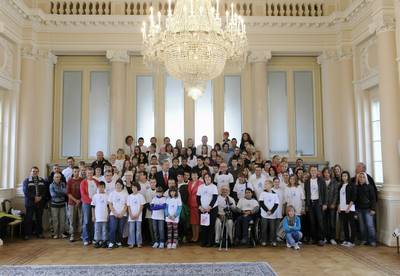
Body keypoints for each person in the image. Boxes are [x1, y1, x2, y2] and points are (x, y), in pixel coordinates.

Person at [304, 166, 327, 246]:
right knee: (312, 221)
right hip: (310, 203)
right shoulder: (307, 181)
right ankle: (313, 238)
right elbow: (306, 194)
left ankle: (321, 239)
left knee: (320, 221)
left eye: (315, 170)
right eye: (312, 170)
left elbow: (325, 193)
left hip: (318, 203)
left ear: (317, 171)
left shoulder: (321, 180)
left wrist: (324, 203)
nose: (313, 172)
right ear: (310, 172)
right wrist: (307, 204)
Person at [23, 166, 47, 240]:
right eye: (33, 171)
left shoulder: (42, 180)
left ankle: (39, 233)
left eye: (36, 171)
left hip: (40, 203)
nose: (35, 172)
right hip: (30, 203)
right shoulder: (26, 181)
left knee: (39, 218)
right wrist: (34, 198)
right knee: (28, 219)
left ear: (38, 172)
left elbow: (45, 191)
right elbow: (26, 192)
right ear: (31, 172)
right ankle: (27, 234)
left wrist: (40, 197)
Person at [196, 173, 219, 247]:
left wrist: (210, 207)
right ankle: (204, 241)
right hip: (202, 209)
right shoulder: (200, 187)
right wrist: (200, 206)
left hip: (212, 209)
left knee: (211, 226)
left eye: (209, 177)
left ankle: (210, 242)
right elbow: (198, 198)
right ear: (204, 178)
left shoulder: (214, 187)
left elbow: (215, 198)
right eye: (206, 177)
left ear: (211, 178)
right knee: (203, 226)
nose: (207, 178)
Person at [355, 172, 377, 246]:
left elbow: (373, 199)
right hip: (359, 209)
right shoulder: (357, 187)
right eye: (360, 177)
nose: (361, 178)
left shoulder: (369, 187)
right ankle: (364, 239)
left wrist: (373, 209)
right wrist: (355, 211)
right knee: (362, 226)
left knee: (370, 225)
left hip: (368, 209)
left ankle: (372, 240)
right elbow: (355, 200)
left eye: (363, 177)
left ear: (365, 178)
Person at [80, 167, 99, 246]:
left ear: (93, 173)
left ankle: (93, 238)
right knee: (87, 221)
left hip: (96, 204)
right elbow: (83, 194)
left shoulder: (96, 181)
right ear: (86, 173)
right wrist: (91, 201)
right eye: (88, 173)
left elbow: (99, 192)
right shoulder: (83, 182)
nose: (90, 174)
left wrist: (95, 202)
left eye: (91, 173)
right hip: (87, 203)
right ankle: (86, 238)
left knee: (94, 221)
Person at [108, 179, 128, 249]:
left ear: (122, 186)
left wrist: (122, 213)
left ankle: (118, 241)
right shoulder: (112, 193)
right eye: (116, 185)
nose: (118, 186)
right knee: (113, 228)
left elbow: (126, 205)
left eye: (119, 185)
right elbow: (110, 204)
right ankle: (111, 242)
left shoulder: (125, 193)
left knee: (120, 229)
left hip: (123, 214)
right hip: (113, 214)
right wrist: (115, 213)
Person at [338, 171, 357, 247]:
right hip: (342, 207)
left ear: (348, 177)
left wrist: (349, 207)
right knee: (345, 224)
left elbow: (354, 197)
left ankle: (352, 241)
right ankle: (346, 239)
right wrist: (339, 206)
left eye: (345, 176)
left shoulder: (352, 185)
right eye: (343, 176)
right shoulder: (341, 185)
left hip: (350, 207)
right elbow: (339, 197)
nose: (344, 177)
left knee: (352, 224)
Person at [259, 180, 279, 247]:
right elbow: (261, 203)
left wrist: (272, 211)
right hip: (264, 214)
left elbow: (276, 204)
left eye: (267, 184)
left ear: (271, 185)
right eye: (265, 184)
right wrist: (267, 210)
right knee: (264, 228)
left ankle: (273, 240)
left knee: (272, 228)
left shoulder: (275, 194)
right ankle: (264, 240)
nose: (265, 185)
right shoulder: (262, 193)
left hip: (272, 215)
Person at [322, 167, 339, 245]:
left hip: (332, 205)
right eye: (325, 172)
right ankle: (325, 237)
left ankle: (332, 238)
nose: (326, 174)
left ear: (330, 173)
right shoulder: (321, 181)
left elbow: (336, 194)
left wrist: (334, 204)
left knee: (332, 222)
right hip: (324, 205)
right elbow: (320, 194)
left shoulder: (334, 182)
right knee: (324, 222)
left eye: (328, 172)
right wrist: (323, 204)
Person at [127, 183, 146, 248]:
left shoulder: (141, 196)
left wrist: (138, 214)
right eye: (133, 187)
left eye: (135, 187)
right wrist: (131, 214)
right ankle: (131, 243)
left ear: (138, 188)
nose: (134, 188)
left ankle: (139, 243)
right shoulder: (129, 196)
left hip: (139, 216)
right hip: (131, 216)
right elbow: (128, 206)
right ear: (131, 188)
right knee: (131, 230)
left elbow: (142, 206)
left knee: (138, 230)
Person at [49, 172, 67, 239]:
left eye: (58, 177)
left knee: (62, 219)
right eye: (56, 177)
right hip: (54, 205)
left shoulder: (63, 184)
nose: (57, 178)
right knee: (55, 220)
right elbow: (53, 195)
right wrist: (61, 192)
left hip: (62, 204)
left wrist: (57, 191)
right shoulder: (51, 185)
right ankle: (55, 233)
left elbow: (65, 192)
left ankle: (62, 233)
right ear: (53, 178)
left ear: (60, 177)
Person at [67, 166, 82, 242]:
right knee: (72, 219)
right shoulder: (69, 181)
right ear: (73, 172)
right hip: (72, 203)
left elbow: (83, 192)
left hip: (80, 202)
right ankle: (72, 235)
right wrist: (75, 200)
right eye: (75, 171)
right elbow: (68, 193)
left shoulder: (82, 180)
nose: (76, 173)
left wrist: (79, 200)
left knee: (80, 218)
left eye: (77, 171)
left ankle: (80, 234)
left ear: (79, 172)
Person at [91, 181, 109, 248]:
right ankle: (97, 241)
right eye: (99, 187)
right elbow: (93, 207)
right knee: (97, 229)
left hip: (104, 216)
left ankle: (104, 241)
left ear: (104, 188)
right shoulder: (95, 196)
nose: (101, 188)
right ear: (97, 187)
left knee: (104, 229)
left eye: (102, 187)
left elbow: (108, 207)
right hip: (97, 216)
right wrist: (93, 216)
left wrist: (108, 215)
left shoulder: (107, 196)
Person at [188, 171, 202, 242]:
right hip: (190, 204)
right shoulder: (190, 183)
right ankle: (193, 236)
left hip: (197, 204)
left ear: (197, 175)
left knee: (197, 222)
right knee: (192, 222)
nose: (194, 176)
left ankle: (197, 237)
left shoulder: (200, 183)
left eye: (195, 174)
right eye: (192, 174)